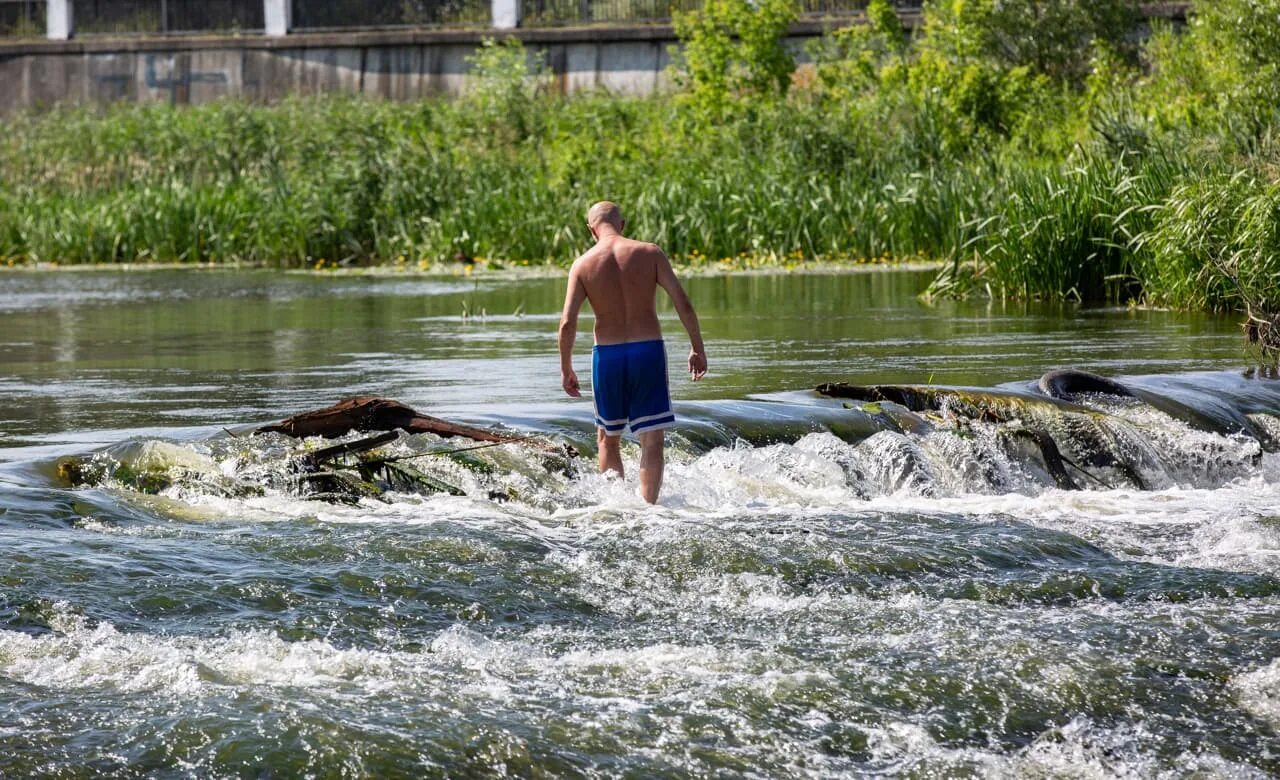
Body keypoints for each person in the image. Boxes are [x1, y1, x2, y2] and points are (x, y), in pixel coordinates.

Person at [558, 201, 707, 504]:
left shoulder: (583, 264)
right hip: (647, 352)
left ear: (591, 230)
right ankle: (649, 509)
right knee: (651, 439)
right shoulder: (649, 253)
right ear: (622, 225)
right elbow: (683, 302)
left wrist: (566, 368)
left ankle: (615, 509)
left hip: (607, 357)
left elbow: (566, 324)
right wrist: (696, 347)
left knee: (607, 439)